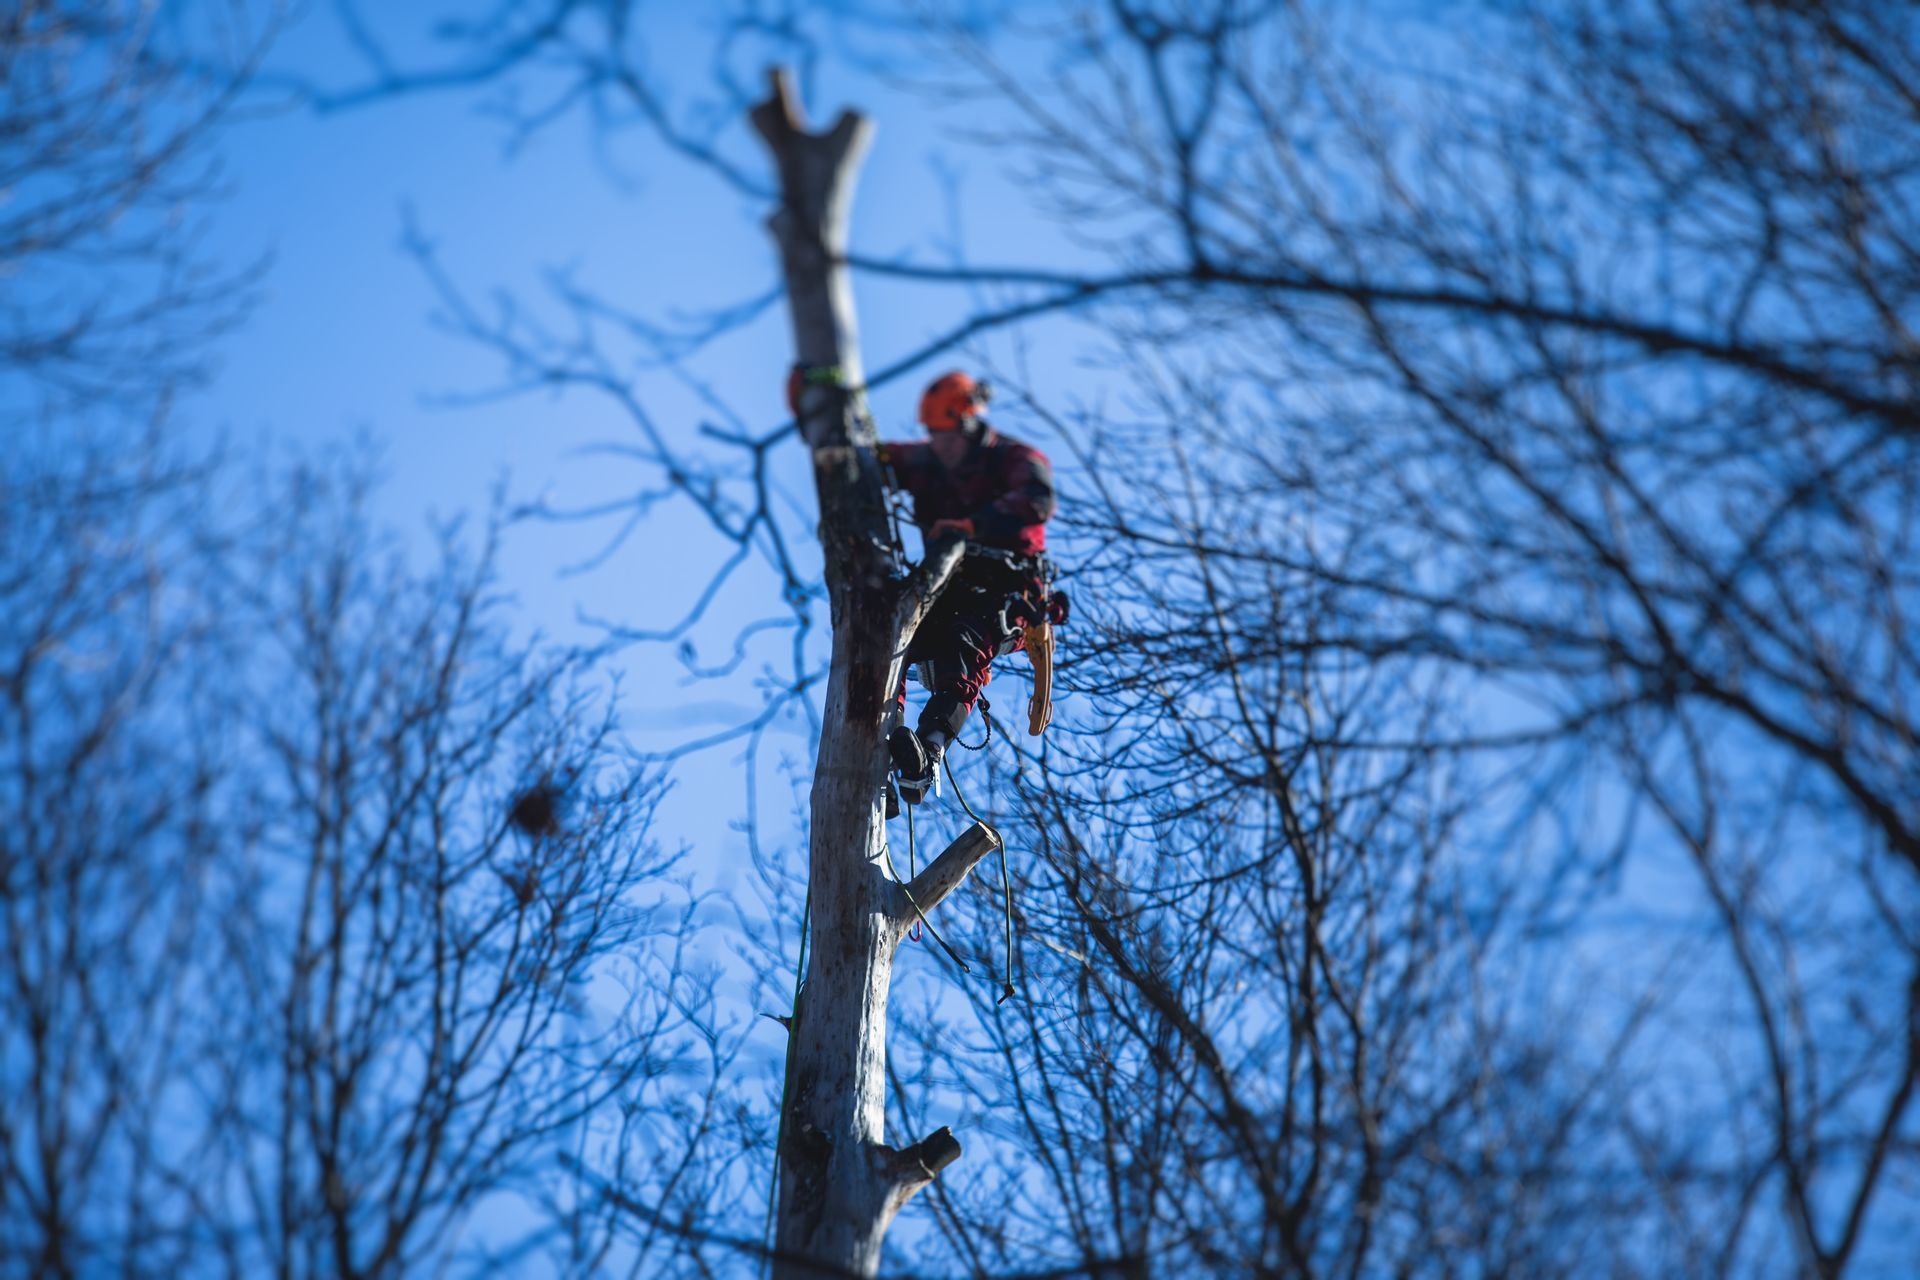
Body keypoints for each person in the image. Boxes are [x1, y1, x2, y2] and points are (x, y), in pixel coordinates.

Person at [879, 370, 1062, 804]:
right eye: (933, 437)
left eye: (946, 437)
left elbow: (1038, 498)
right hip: (944, 590)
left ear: (969, 426)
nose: (939, 446)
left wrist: (972, 526)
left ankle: (928, 752)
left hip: (1005, 595)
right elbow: (873, 460)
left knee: (962, 643)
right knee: (890, 643)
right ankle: (883, 747)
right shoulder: (928, 463)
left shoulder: (1013, 459)